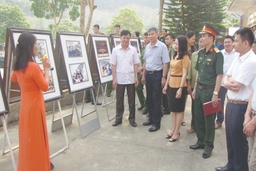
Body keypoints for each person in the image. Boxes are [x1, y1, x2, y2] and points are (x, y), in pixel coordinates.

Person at [216, 27, 256, 171]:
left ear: (246, 43)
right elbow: (227, 78)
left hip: (242, 106)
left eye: (236, 41)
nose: (233, 44)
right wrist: (228, 81)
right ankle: (230, 165)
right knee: (230, 138)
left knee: (239, 141)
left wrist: (229, 81)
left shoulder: (251, 61)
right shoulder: (238, 58)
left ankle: (239, 168)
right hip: (231, 103)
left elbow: (237, 85)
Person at [11, 32, 52, 170]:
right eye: (35, 44)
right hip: (35, 107)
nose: (37, 46)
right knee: (37, 140)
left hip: (25, 107)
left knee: (27, 140)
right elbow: (45, 86)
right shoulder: (33, 66)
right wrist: (46, 69)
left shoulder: (18, 66)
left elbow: (13, 78)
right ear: (29, 47)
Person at [190, 23, 223, 159]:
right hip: (199, 90)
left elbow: (219, 75)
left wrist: (216, 94)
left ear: (211, 38)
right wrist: (195, 88)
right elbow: (198, 72)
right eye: (201, 36)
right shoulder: (201, 53)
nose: (201, 38)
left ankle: (209, 145)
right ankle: (200, 141)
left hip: (210, 92)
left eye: (204, 36)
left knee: (209, 120)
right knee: (198, 117)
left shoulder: (217, 54)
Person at [141, 27, 170, 132]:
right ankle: (151, 118)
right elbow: (145, 62)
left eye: (152, 34)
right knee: (149, 98)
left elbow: (166, 62)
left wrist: (163, 77)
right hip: (148, 74)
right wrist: (143, 75)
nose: (150, 36)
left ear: (157, 34)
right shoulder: (147, 47)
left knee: (156, 99)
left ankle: (156, 123)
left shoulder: (162, 47)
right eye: (149, 34)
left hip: (158, 75)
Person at [163, 35, 190, 142]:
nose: (175, 46)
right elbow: (170, 71)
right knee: (173, 110)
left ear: (182, 45)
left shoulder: (185, 57)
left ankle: (177, 132)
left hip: (179, 85)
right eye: (175, 43)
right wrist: (166, 85)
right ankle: (173, 129)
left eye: (178, 44)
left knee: (179, 111)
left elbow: (184, 74)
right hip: (172, 84)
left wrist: (180, 88)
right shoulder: (174, 55)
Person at [110, 30, 140, 127]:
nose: (126, 40)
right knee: (119, 100)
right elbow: (113, 65)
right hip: (120, 79)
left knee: (132, 100)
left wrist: (136, 77)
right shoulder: (115, 50)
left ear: (130, 38)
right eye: (124, 38)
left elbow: (136, 64)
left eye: (128, 38)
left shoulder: (133, 50)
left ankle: (132, 119)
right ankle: (118, 119)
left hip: (131, 78)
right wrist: (114, 79)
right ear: (120, 38)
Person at [215, 35, 238, 129]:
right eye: (225, 42)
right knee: (219, 102)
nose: (227, 44)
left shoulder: (237, 54)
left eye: (229, 42)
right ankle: (219, 120)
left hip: (233, 84)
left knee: (232, 102)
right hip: (221, 83)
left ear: (233, 43)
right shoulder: (220, 53)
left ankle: (231, 121)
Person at [187, 38, 204, 134]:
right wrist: (189, 84)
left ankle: (202, 127)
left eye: (202, 40)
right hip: (194, 85)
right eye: (200, 41)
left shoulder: (213, 55)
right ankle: (194, 126)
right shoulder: (194, 55)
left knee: (203, 108)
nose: (201, 42)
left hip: (205, 86)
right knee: (194, 108)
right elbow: (190, 70)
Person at [243, 77, 256, 171]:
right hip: (252, 114)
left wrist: (253, 122)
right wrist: (247, 115)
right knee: (250, 157)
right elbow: (253, 92)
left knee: (253, 164)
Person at [136, 32, 149, 114]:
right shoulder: (144, 48)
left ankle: (147, 107)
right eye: (144, 38)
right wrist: (140, 68)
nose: (145, 39)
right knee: (138, 88)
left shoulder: (150, 48)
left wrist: (143, 69)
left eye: (146, 37)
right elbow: (141, 59)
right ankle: (143, 103)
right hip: (141, 70)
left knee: (148, 90)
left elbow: (148, 61)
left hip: (148, 71)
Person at [107, 24, 121, 97]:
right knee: (112, 73)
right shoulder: (112, 36)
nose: (117, 29)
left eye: (118, 28)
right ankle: (108, 91)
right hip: (113, 56)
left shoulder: (121, 36)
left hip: (120, 57)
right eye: (115, 28)